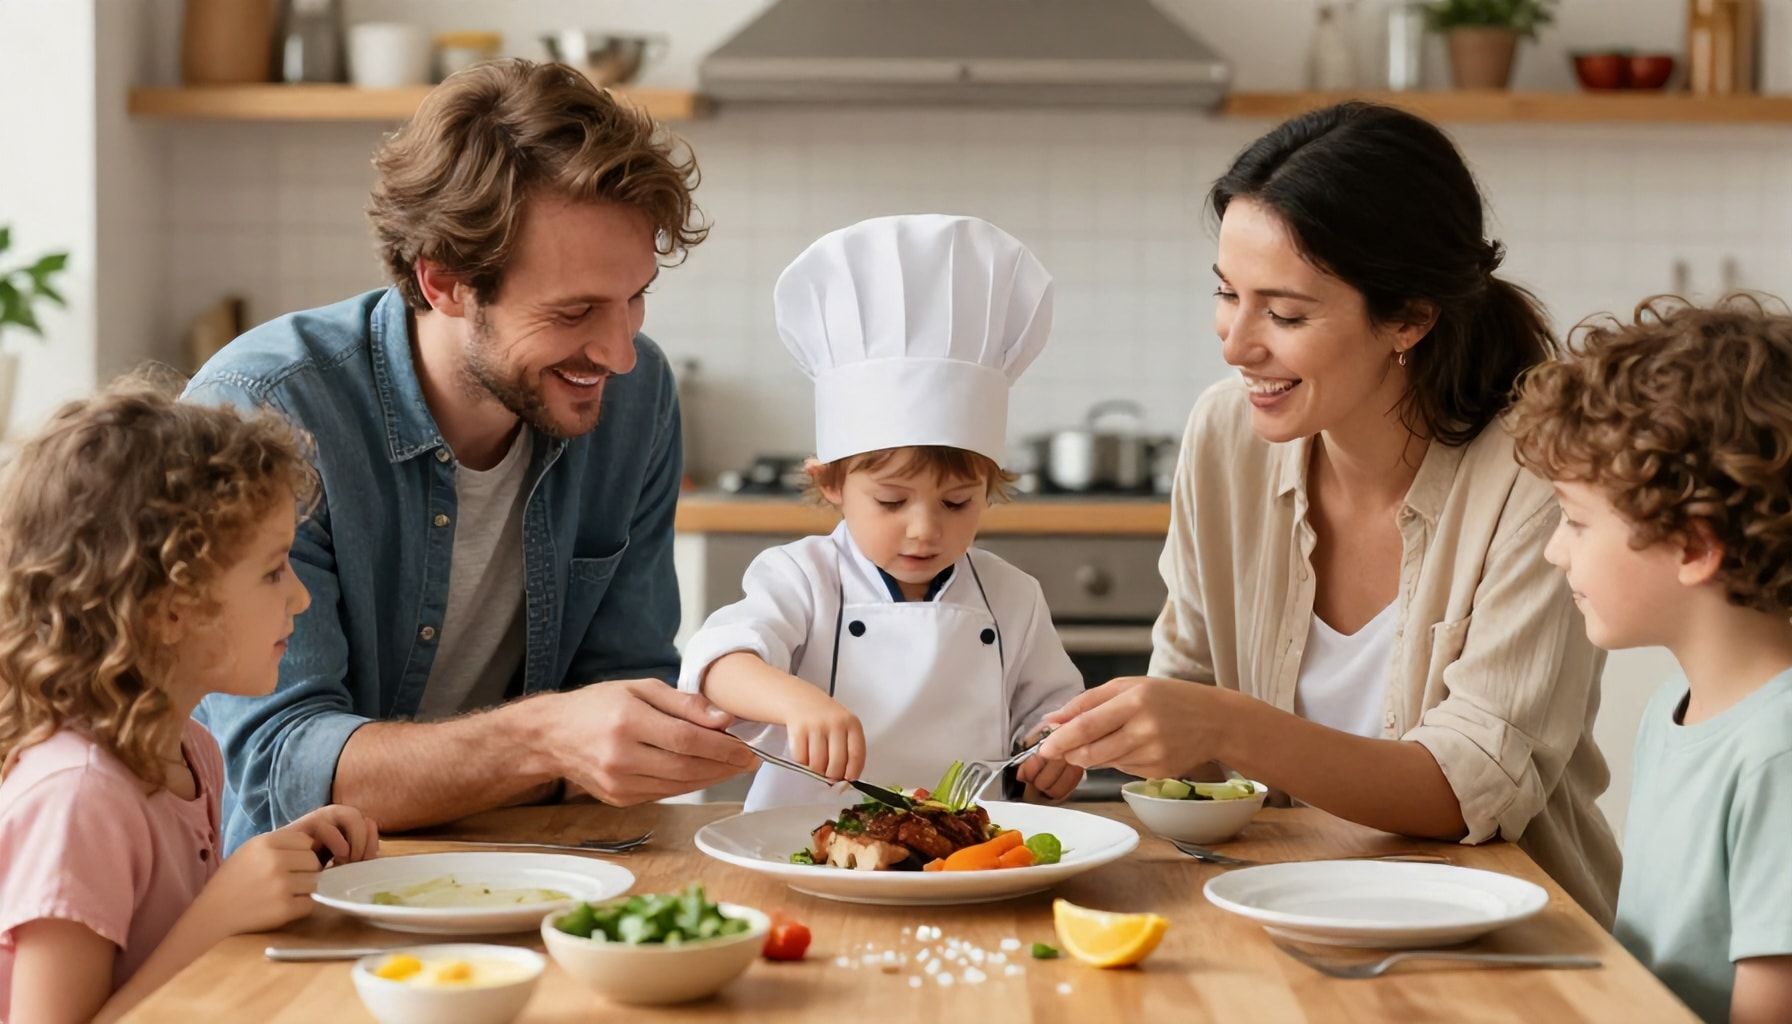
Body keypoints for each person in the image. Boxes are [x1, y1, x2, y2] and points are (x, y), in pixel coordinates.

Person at [1038, 102, 1621, 922]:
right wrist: (1121, 736)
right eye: (1226, 294)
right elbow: (1193, 688)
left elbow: (1472, 786)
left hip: (1511, 934)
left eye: (1284, 313)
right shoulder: (1223, 435)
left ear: (1411, 318)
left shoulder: (1537, 473)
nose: (1236, 343)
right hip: (1275, 909)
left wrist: (1229, 728)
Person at [184, 59, 756, 851]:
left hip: (543, 866)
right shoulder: (267, 409)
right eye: (575, 311)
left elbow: (625, 688)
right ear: (445, 281)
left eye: (635, 298)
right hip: (308, 893)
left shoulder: (639, 394)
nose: (620, 353)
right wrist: (547, 740)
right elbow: (282, 771)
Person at [0, 383, 379, 1023]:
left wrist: (283, 860)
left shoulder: (189, 749)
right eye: (273, 570)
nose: (300, 598)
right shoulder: (79, 799)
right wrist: (219, 914)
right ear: (171, 609)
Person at [678, 215, 1085, 809]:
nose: (925, 530)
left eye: (956, 502)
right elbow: (717, 666)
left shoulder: (1013, 596)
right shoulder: (801, 577)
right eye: (892, 501)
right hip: (804, 843)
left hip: (964, 853)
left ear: (991, 488)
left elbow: (1050, 715)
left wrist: (1054, 751)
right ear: (832, 483)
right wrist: (798, 701)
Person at [1509, 296, 1792, 1023]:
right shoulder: (1679, 709)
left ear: (1695, 546)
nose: (1554, 550)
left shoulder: (1777, 755)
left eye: (1575, 521)